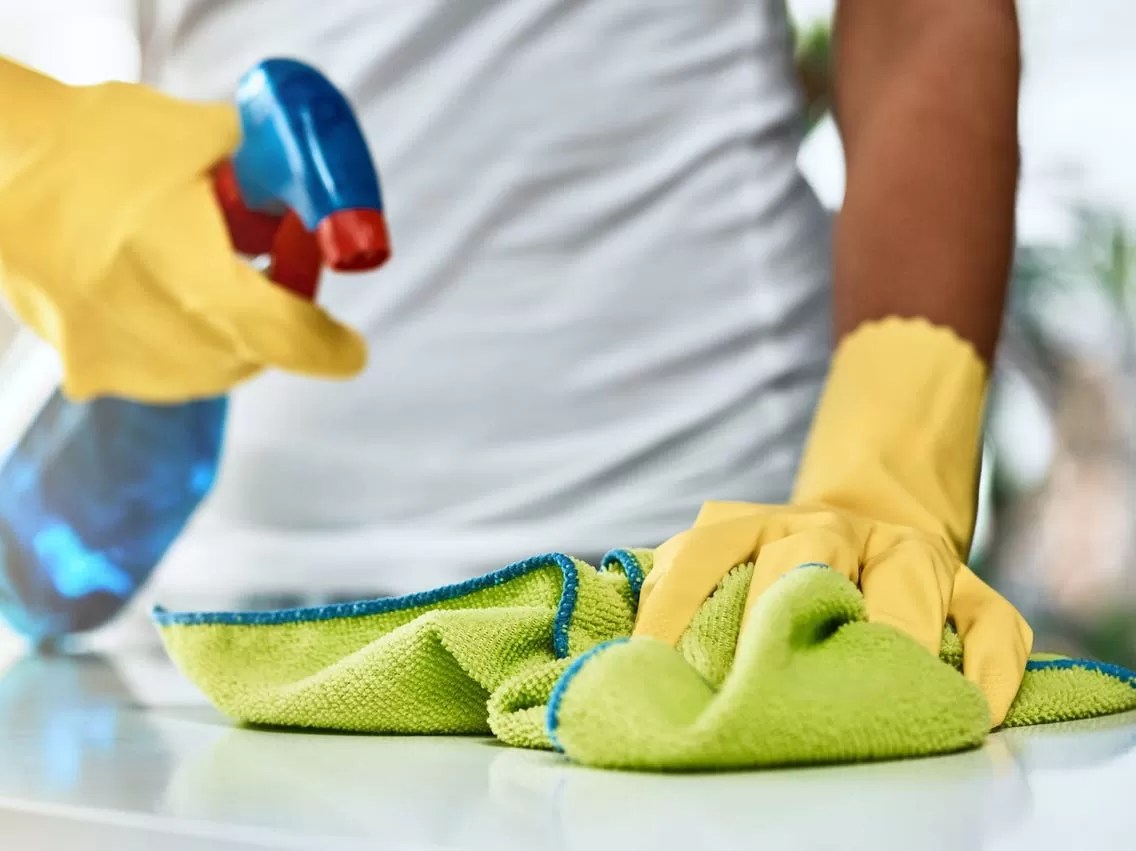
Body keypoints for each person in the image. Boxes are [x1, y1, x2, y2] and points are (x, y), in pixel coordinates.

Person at [0, 0, 1030, 725]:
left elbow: (921, 15)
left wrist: (893, 434)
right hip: (213, 634)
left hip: (685, 590)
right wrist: (30, 154)